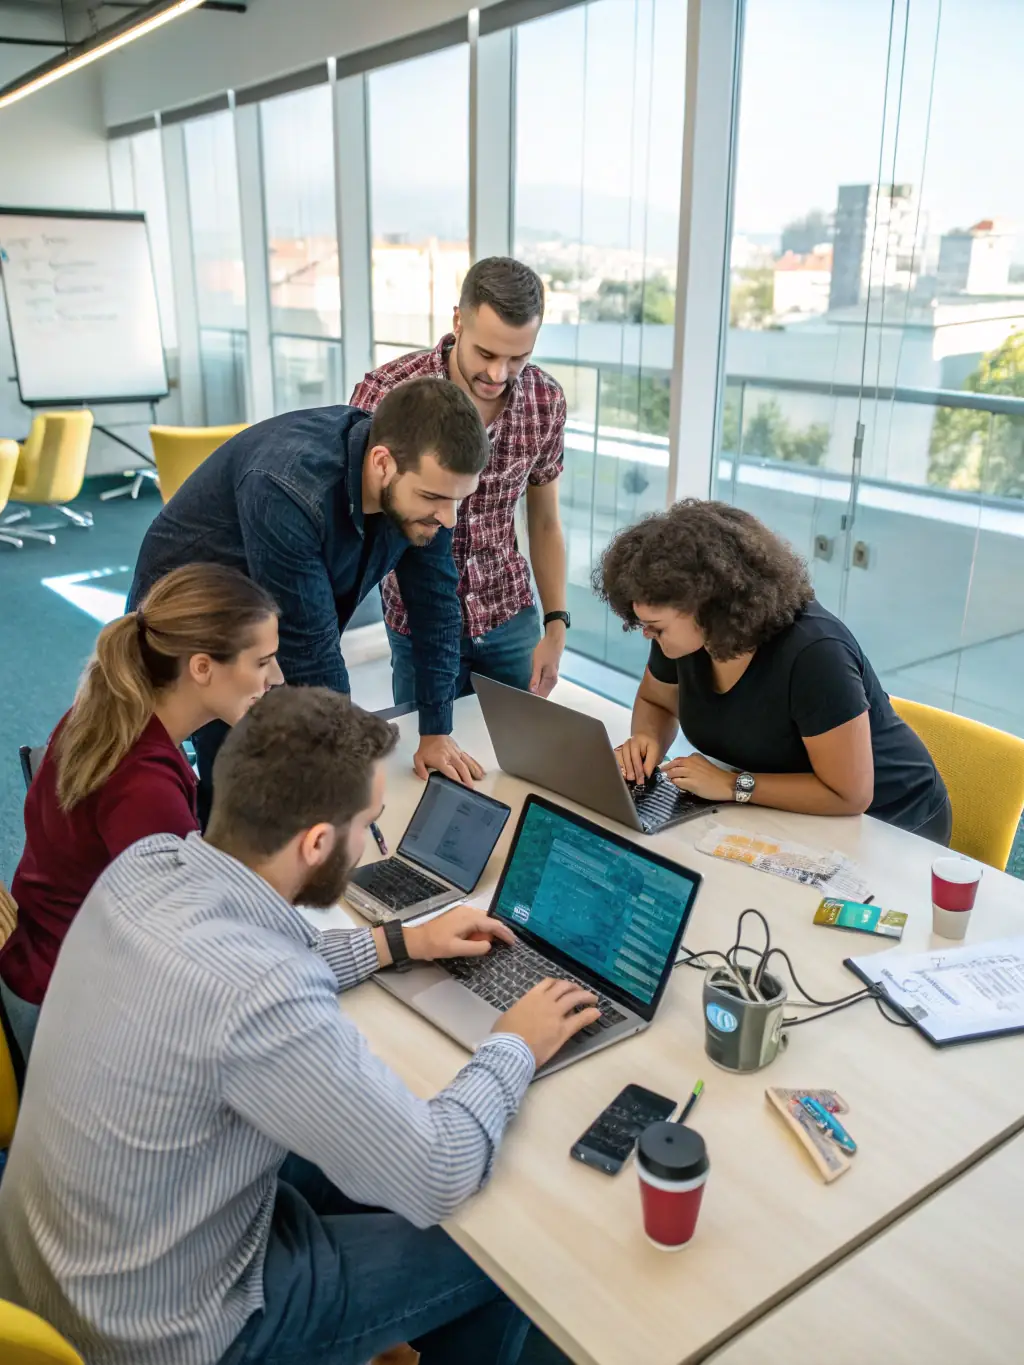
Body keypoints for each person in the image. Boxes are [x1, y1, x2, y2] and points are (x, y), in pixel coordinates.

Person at [0, 685, 597, 1365]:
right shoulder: (262, 992)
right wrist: (514, 1041)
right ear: (318, 841)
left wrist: (399, 941)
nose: (374, 837)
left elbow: (275, 951)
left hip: (59, 1276)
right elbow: (439, 1168)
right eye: (370, 823)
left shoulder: (146, 866)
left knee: (363, 1166)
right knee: (505, 1238)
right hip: (175, 1334)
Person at [129, 377, 492, 822]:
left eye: (458, 500)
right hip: (188, 625)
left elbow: (435, 605)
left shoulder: (427, 495)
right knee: (229, 787)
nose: (447, 516)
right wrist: (351, 775)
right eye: (434, 497)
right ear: (382, 463)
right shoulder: (288, 487)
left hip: (264, 627)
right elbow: (312, 650)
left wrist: (435, 729)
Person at [0, 564, 281, 1064]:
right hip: (71, 1006)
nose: (274, 678)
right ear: (201, 667)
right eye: (262, 662)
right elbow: (190, 954)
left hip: (41, 952)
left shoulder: (109, 712)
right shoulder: (144, 790)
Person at [597, 500, 952, 842]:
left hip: (892, 821)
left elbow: (850, 795)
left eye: (656, 627)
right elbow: (656, 701)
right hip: (785, 808)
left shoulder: (816, 655)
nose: (646, 634)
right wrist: (648, 740)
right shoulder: (683, 641)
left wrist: (732, 785)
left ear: (707, 607)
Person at [351, 256, 570, 704]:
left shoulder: (545, 400)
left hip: (509, 614)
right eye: (486, 354)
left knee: (520, 760)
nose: (497, 374)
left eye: (517, 358)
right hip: (419, 620)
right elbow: (361, 518)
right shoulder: (385, 393)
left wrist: (556, 623)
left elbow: (545, 522)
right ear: (458, 321)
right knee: (428, 759)